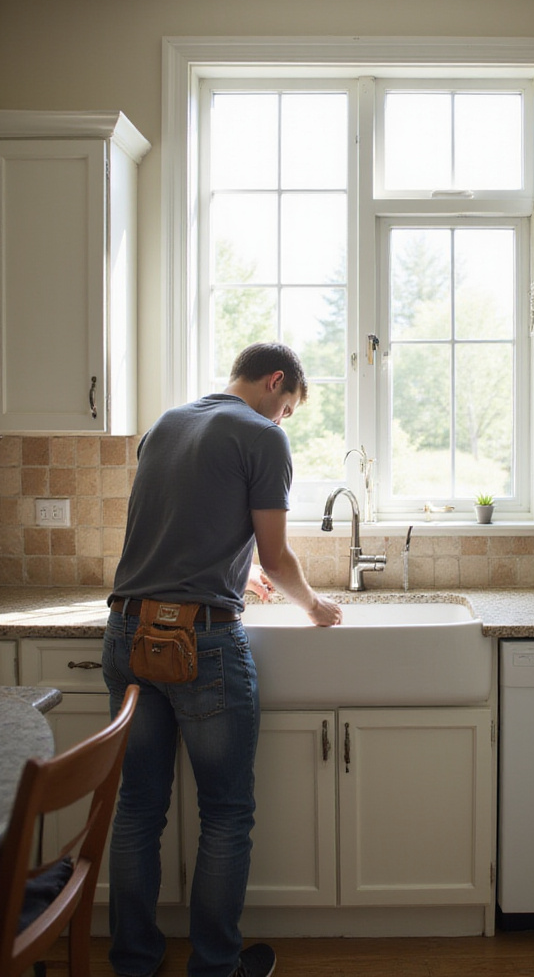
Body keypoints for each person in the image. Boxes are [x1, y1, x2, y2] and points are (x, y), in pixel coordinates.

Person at [102, 342, 342, 977]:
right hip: (201, 644)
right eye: (287, 408)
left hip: (128, 631)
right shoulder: (263, 437)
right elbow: (277, 557)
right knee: (227, 813)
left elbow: (178, 530)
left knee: (137, 808)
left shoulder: (166, 425)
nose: (283, 420)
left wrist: (234, 575)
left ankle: (133, 962)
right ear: (274, 381)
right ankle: (214, 968)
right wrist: (314, 605)